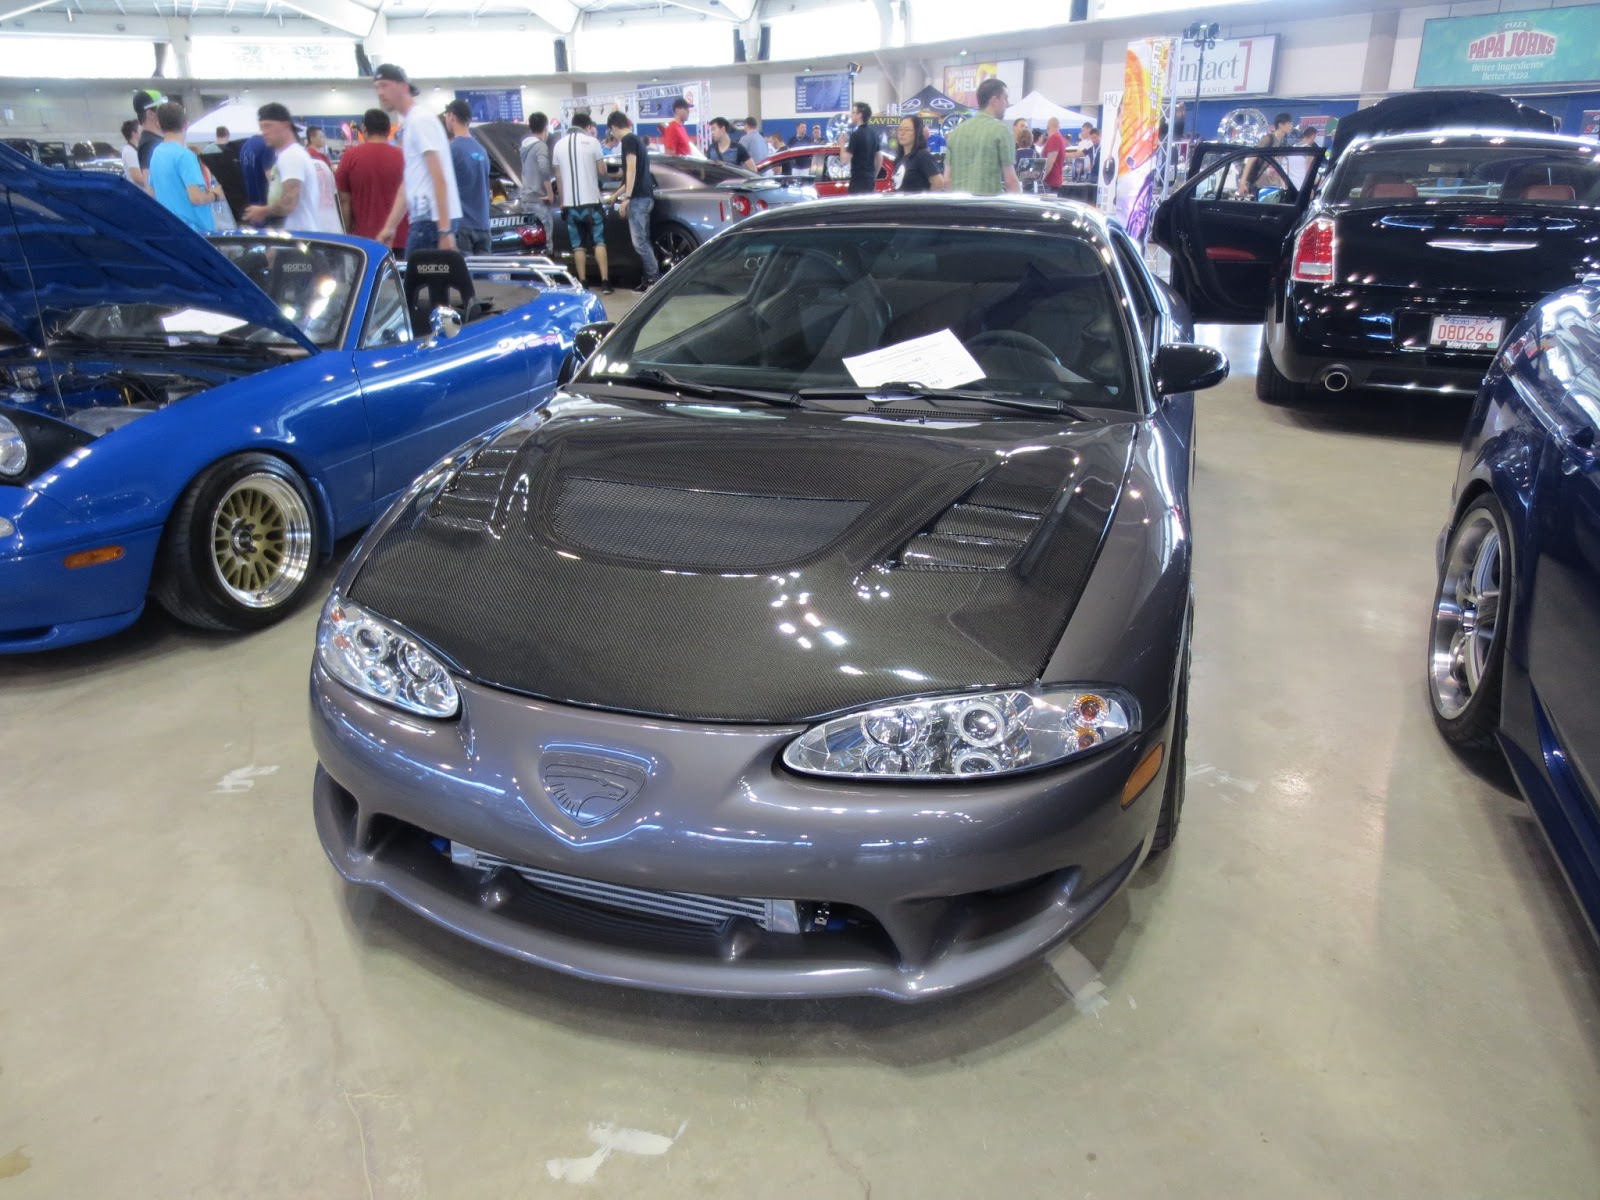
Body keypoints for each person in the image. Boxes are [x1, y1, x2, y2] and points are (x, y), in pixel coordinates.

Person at [372, 63, 461, 253]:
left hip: (431, 223)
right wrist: (390, 226)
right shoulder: (412, 122)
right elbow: (408, 185)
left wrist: (444, 231)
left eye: (385, 85)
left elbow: (440, 177)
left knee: (415, 282)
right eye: (377, 87)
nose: (380, 92)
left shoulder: (420, 120)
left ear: (404, 86)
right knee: (420, 282)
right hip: (425, 221)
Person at [243, 102, 328, 233]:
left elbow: (289, 202)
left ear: (286, 125)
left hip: (299, 237)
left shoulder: (291, 156)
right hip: (292, 236)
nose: (264, 132)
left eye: (268, 126)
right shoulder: (286, 155)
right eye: (262, 127)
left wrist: (262, 211)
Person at [553, 111, 611, 294]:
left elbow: (558, 176)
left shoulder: (558, 145)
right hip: (592, 203)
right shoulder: (592, 142)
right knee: (599, 242)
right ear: (587, 127)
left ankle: (583, 283)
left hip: (570, 205)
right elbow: (602, 171)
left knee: (578, 246)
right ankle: (605, 282)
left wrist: (562, 201)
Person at [335, 108, 408, 250]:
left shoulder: (350, 156)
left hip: (364, 240)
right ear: (389, 130)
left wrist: (348, 232)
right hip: (401, 237)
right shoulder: (404, 157)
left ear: (364, 128)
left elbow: (345, 200)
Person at [147, 101, 223, 232]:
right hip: (196, 233)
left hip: (170, 229)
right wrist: (216, 194)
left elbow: (152, 192)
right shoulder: (185, 156)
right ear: (186, 124)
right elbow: (197, 198)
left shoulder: (156, 153)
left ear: (158, 125)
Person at [608, 110, 659, 292]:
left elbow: (631, 169)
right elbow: (633, 175)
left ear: (613, 127)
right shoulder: (637, 140)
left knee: (640, 243)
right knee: (644, 241)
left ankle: (653, 279)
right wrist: (616, 194)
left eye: (611, 131)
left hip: (638, 199)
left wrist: (627, 198)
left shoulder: (628, 141)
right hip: (644, 196)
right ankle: (648, 279)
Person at [944, 77, 1019, 195]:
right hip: (987, 209)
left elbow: (947, 180)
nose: (1007, 104)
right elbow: (1010, 182)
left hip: (958, 209)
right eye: (1005, 98)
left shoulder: (956, 133)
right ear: (994, 100)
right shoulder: (1001, 131)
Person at [444, 99, 492, 256]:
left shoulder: (451, 149)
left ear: (451, 116)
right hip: (484, 226)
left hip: (462, 227)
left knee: (463, 279)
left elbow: (443, 188)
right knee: (485, 280)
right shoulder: (482, 150)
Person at [519, 111, 555, 244]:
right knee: (547, 243)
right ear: (546, 128)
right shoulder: (540, 146)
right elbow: (544, 169)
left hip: (526, 200)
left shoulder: (524, 147)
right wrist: (550, 193)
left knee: (531, 243)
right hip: (539, 200)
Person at [838, 101, 885, 195]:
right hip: (869, 182)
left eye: (853, 112)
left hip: (857, 183)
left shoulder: (855, 135)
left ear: (859, 115)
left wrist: (842, 144)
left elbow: (844, 160)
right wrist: (873, 176)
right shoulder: (873, 134)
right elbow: (879, 158)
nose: (851, 115)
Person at [892, 115, 946, 193]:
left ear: (917, 132)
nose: (902, 133)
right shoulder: (900, 158)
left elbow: (938, 182)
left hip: (917, 204)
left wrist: (926, 202)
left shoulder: (921, 155)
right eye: (900, 129)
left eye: (907, 130)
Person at [238, 129, 275, 212]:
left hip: (253, 203)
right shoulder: (268, 144)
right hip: (266, 203)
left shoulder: (246, 145)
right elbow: (270, 174)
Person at [131, 91, 163, 183]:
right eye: (161, 109)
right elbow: (148, 182)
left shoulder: (154, 140)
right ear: (150, 113)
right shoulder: (149, 144)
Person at [1042, 116, 1067, 194]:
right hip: (1055, 179)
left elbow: (1050, 161)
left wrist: (1042, 177)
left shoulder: (1054, 138)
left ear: (1048, 127)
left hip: (1051, 180)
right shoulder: (1060, 138)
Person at [119, 118, 145, 189]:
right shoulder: (129, 151)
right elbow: (137, 177)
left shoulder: (135, 150)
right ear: (134, 134)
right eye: (141, 130)